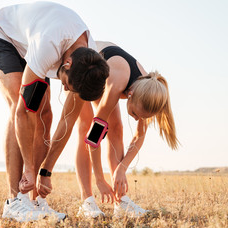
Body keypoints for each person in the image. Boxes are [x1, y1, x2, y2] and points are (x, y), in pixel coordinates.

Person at [0, 2, 109, 222]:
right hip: (3, 37)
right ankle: (14, 202)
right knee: (19, 103)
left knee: (45, 115)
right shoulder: (49, 45)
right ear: (67, 64)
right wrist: (29, 168)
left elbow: (67, 122)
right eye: (68, 85)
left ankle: (31, 201)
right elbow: (23, 112)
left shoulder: (89, 61)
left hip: (32, 44)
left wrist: (45, 172)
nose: (66, 89)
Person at [37, 41, 179, 218]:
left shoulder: (149, 91)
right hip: (84, 68)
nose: (136, 119)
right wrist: (99, 179)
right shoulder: (117, 85)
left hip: (109, 74)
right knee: (85, 125)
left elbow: (139, 136)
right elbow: (93, 138)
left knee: (117, 128)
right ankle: (87, 202)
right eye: (135, 113)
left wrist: (122, 168)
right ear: (130, 94)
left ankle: (121, 202)